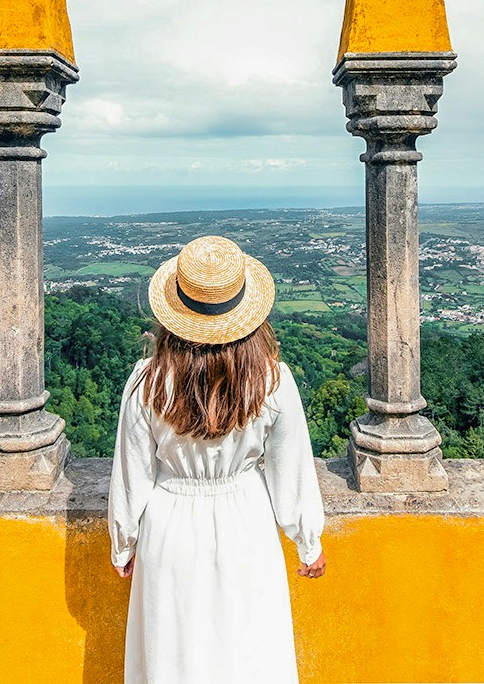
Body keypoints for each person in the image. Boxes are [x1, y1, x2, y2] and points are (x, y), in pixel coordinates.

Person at [107, 235, 326, 684]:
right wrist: (308, 541)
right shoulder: (270, 380)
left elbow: (132, 475)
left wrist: (123, 545)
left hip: (169, 529)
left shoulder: (147, 382)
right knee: (248, 654)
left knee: (172, 657)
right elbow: (292, 469)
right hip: (247, 525)